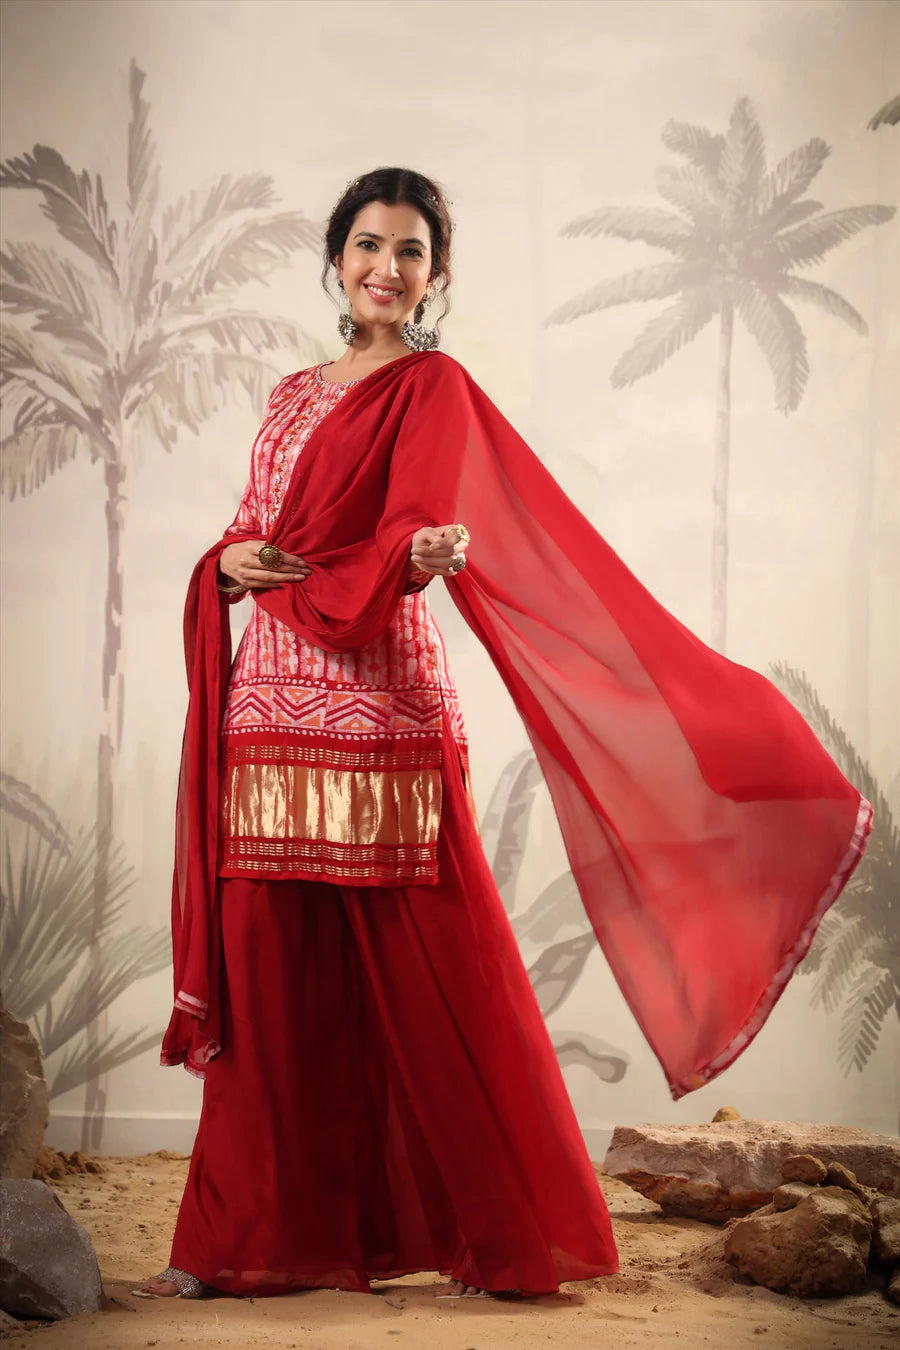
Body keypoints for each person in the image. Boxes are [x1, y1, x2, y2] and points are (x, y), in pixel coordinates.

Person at [135, 168, 870, 1301]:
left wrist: (418, 554)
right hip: (268, 707)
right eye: (368, 244)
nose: (386, 268)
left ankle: (503, 1233)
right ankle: (238, 1243)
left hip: (382, 710)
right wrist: (224, 563)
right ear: (335, 258)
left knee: (441, 982)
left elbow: (409, 526)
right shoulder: (288, 396)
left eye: (410, 251)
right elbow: (261, 526)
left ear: (436, 275)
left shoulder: (431, 386)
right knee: (272, 986)